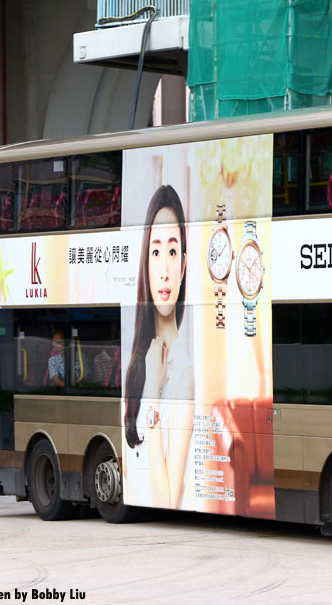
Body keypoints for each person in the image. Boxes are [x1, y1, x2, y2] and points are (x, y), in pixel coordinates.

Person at [123, 185, 194, 508]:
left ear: (183, 267)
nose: (164, 271)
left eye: (172, 252)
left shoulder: (185, 375)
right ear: (145, 263)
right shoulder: (137, 361)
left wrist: (153, 388)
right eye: (155, 252)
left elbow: (166, 501)